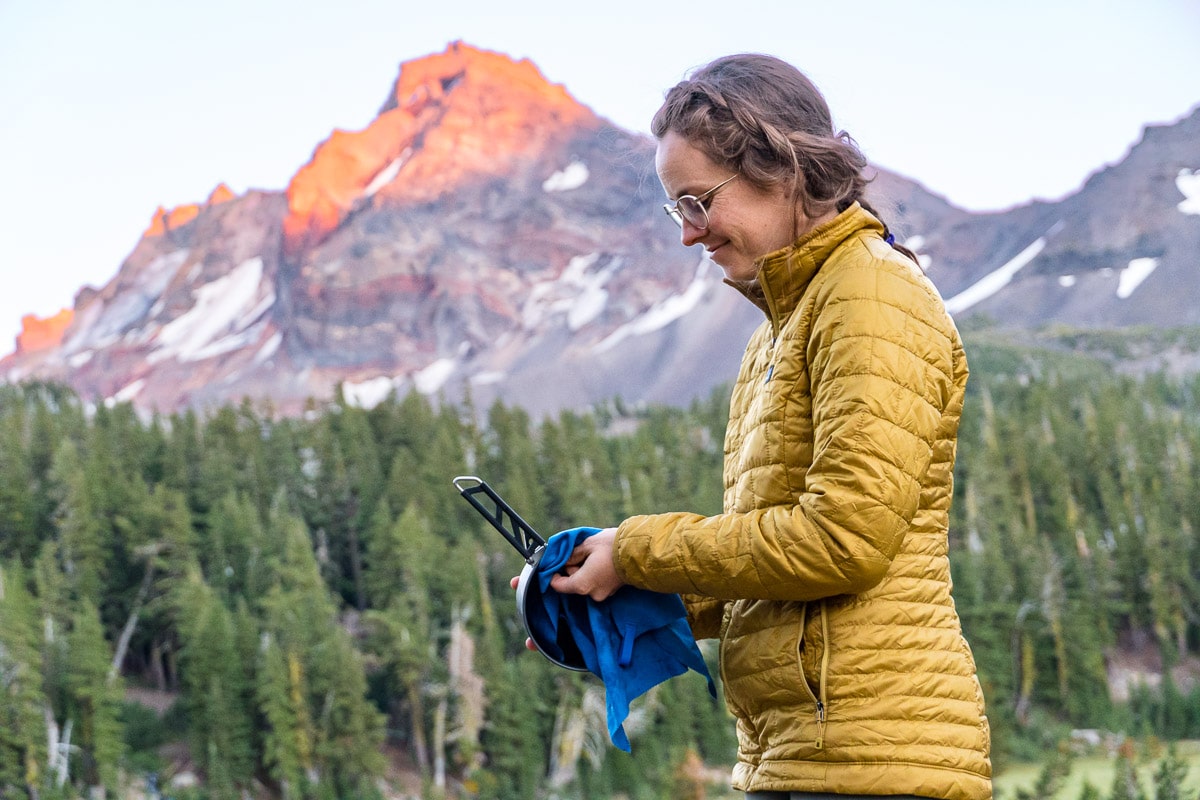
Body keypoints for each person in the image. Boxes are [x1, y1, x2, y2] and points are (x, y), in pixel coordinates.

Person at [526, 53, 992, 800]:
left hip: (871, 763)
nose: (690, 234)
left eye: (698, 202)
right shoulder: (780, 327)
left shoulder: (870, 293)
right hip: (802, 758)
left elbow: (841, 541)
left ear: (780, 166)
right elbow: (773, 571)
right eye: (676, 209)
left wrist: (638, 550)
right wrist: (615, 597)